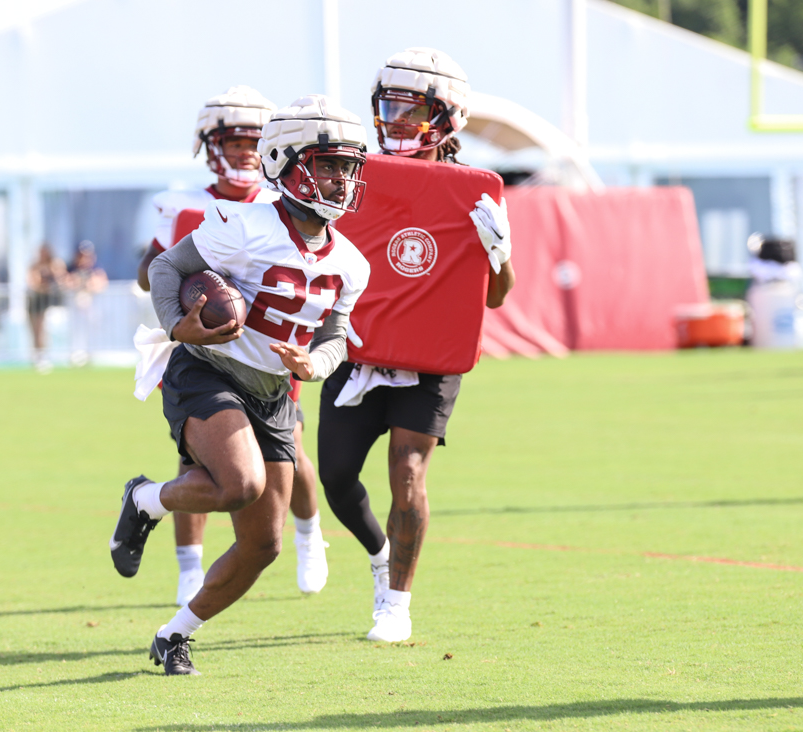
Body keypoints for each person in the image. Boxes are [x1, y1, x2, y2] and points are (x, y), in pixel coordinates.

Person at [109, 95, 370, 675]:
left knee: (262, 546)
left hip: (273, 390)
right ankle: (145, 500)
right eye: (328, 164)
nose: (341, 179)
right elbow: (164, 269)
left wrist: (314, 365)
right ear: (285, 159)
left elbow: (337, 335)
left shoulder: (353, 261)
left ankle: (173, 633)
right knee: (240, 484)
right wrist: (181, 325)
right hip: (209, 370)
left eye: (349, 167)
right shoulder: (242, 226)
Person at [316, 48, 516, 643]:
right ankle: (381, 554)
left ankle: (397, 603)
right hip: (358, 350)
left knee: (407, 469)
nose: (397, 118)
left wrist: (498, 255)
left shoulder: (474, 193)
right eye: (390, 104)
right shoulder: (357, 174)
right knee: (336, 479)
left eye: (413, 106)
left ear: (448, 117)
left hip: (429, 357)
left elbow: (497, 297)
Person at [135, 86, 331, 604]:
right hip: (207, 353)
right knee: (195, 463)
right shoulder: (185, 204)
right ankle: (188, 569)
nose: (244, 151)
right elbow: (148, 274)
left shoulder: (282, 205)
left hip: (270, 351)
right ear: (208, 143)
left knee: (295, 460)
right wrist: (188, 299)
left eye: (252, 141)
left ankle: (310, 535)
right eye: (232, 140)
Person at [67, 240, 108, 366]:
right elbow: (67, 282)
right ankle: (77, 354)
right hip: (74, 306)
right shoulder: (72, 268)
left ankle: (91, 354)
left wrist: (88, 285)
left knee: (91, 329)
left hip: (92, 304)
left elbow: (101, 283)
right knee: (76, 330)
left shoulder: (95, 267)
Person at [27, 243, 66, 372]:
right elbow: (34, 282)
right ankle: (38, 357)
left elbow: (62, 278)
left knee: (46, 330)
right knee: (36, 331)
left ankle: (47, 356)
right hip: (36, 302)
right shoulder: (35, 266)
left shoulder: (55, 264)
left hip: (50, 302)